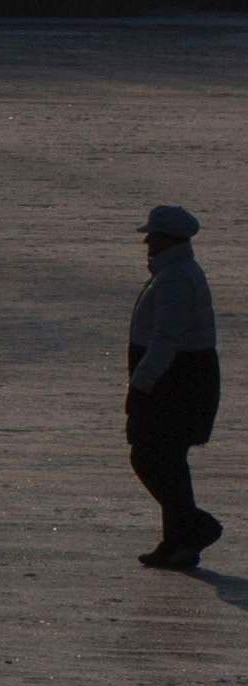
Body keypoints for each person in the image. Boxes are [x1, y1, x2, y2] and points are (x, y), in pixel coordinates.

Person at [129, 205, 221, 571]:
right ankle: (178, 544)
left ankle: (194, 527)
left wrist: (142, 383)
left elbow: (166, 339)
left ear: (168, 239)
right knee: (166, 460)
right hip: (178, 378)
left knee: (151, 457)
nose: (147, 240)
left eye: (152, 235)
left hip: (176, 382)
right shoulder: (172, 273)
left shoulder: (176, 280)